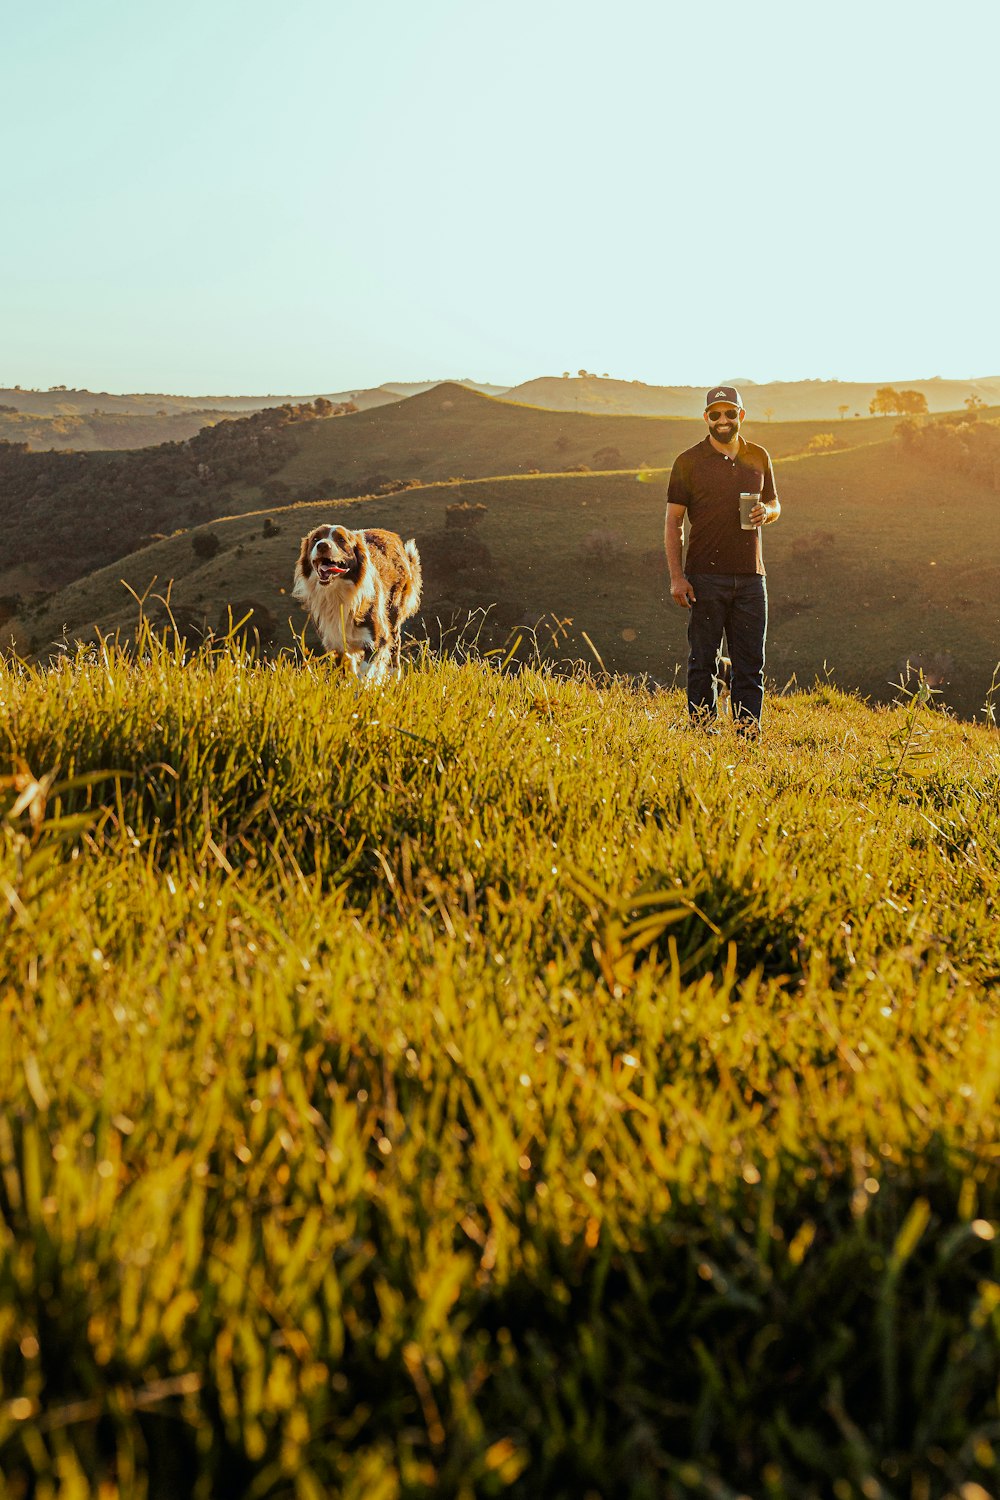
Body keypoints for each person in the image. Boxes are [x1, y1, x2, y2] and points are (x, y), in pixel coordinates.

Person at [664, 385, 781, 736]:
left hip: (751, 577)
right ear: (706, 418)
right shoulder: (688, 462)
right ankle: (702, 731)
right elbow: (673, 521)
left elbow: (775, 503)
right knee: (703, 661)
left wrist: (768, 511)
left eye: (730, 413)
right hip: (704, 577)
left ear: (741, 416)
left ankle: (747, 736)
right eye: (715, 414)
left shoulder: (759, 456)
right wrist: (677, 577)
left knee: (750, 664)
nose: (723, 420)